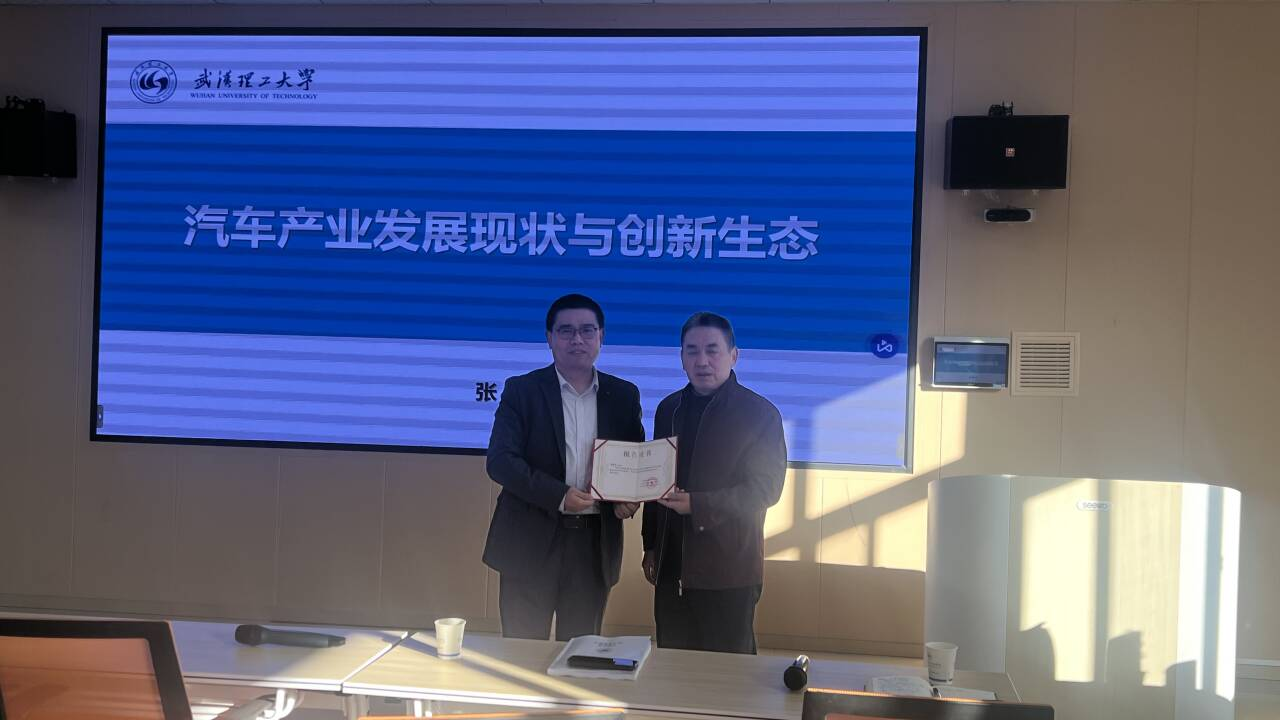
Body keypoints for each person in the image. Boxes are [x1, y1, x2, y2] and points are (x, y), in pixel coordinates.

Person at [482, 293, 645, 640]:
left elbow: (634, 461)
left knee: (581, 651)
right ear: (550, 338)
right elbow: (501, 461)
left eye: (587, 330)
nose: (577, 339)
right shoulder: (522, 390)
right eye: (566, 330)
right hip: (529, 540)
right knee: (522, 651)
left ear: (601, 336)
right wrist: (559, 496)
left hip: (593, 545)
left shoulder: (623, 396)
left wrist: (630, 499)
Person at [640, 312, 787, 654]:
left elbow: (766, 488)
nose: (702, 360)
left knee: (728, 669)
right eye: (691, 350)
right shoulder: (668, 409)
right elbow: (654, 480)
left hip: (729, 567)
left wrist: (698, 505)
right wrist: (651, 544)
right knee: (672, 664)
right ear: (681, 357)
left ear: (734, 355)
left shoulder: (760, 414)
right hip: (671, 564)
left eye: (712, 350)